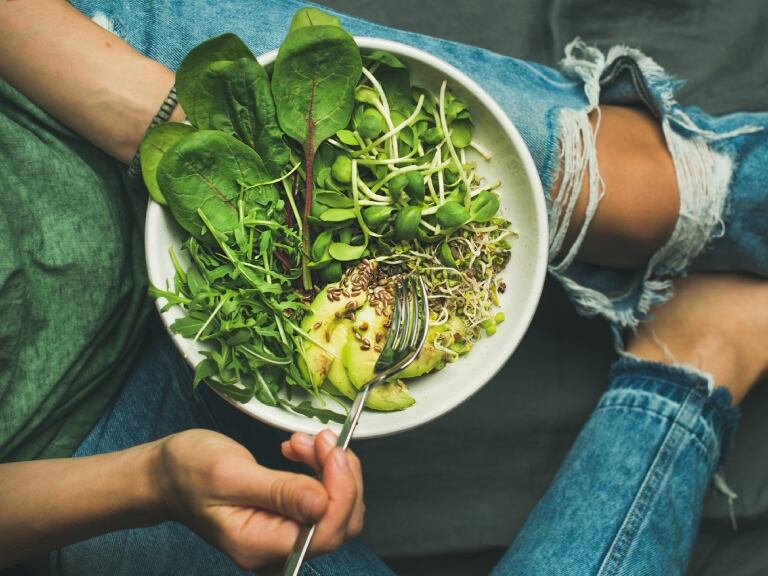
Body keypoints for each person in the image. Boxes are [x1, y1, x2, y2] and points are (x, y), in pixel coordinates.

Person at [0, 0, 765, 574]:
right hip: (66, 445)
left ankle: (710, 231)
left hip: (71, 99)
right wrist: (151, 480)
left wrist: (156, 116)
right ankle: (685, 369)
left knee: (676, 190)